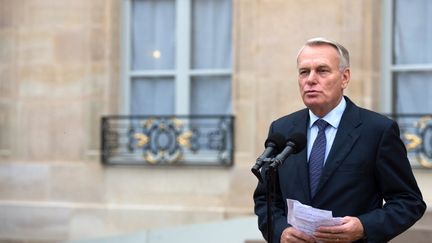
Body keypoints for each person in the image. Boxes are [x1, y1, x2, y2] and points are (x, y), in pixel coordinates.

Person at [253, 37, 426, 243]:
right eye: (304, 72)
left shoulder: (377, 130)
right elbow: (266, 199)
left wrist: (364, 227)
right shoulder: (282, 129)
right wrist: (280, 231)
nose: (311, 79)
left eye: (322, 70)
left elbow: (409, 202)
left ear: (345, 78)